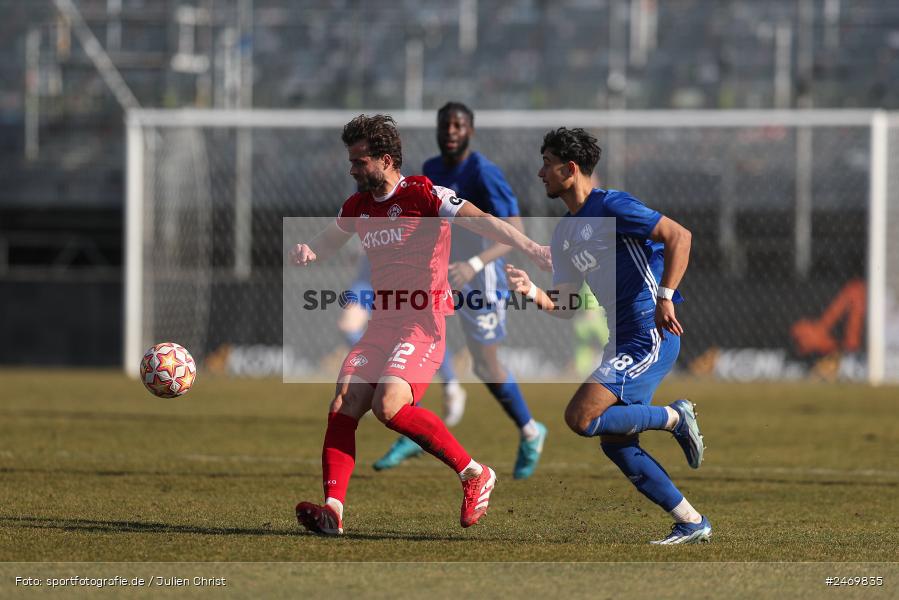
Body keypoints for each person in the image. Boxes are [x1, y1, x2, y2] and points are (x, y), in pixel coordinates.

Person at [291, 114, 551, 535]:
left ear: (386, 160)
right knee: (343, 404)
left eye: (360, 161)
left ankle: (474, 474)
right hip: (382, 324)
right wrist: (309, 251)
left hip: (423, 323)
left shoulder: (425, 195)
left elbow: (483, 219)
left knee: (389, 407)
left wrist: (531, 247)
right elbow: (328, 240)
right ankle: (333, 511)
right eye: (351, 161)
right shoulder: (357, 207)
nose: (352, 169)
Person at [505, 127, 711, 544]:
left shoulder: (611, 205)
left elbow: (679, 236)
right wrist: (532, 292)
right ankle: (691, 521)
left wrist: (666, 296)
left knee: (580, 418)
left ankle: (674, 417)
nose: (540, 172)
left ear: (571, 168)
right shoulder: (564, 234)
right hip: (621, 340)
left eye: (547, 163)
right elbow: (565, 307)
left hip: (649, 335)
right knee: (615, 442)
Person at [373, 102, 547, 478]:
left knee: (486, 363)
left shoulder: (484, 173)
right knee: (419, 347)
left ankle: (531, 430)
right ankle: (409, 425)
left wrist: (474, 264)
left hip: (480, 277)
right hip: (437, 276)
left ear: (470, 130)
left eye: (458, 125)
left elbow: (512, 232)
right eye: (445, 125)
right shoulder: (432, 170)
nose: (450, 130)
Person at [339, 255, 468, 426]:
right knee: (349, 326)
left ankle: (451, 385)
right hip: (370, 272)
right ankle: (378, 383)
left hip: (407, 275)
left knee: (420, 334)